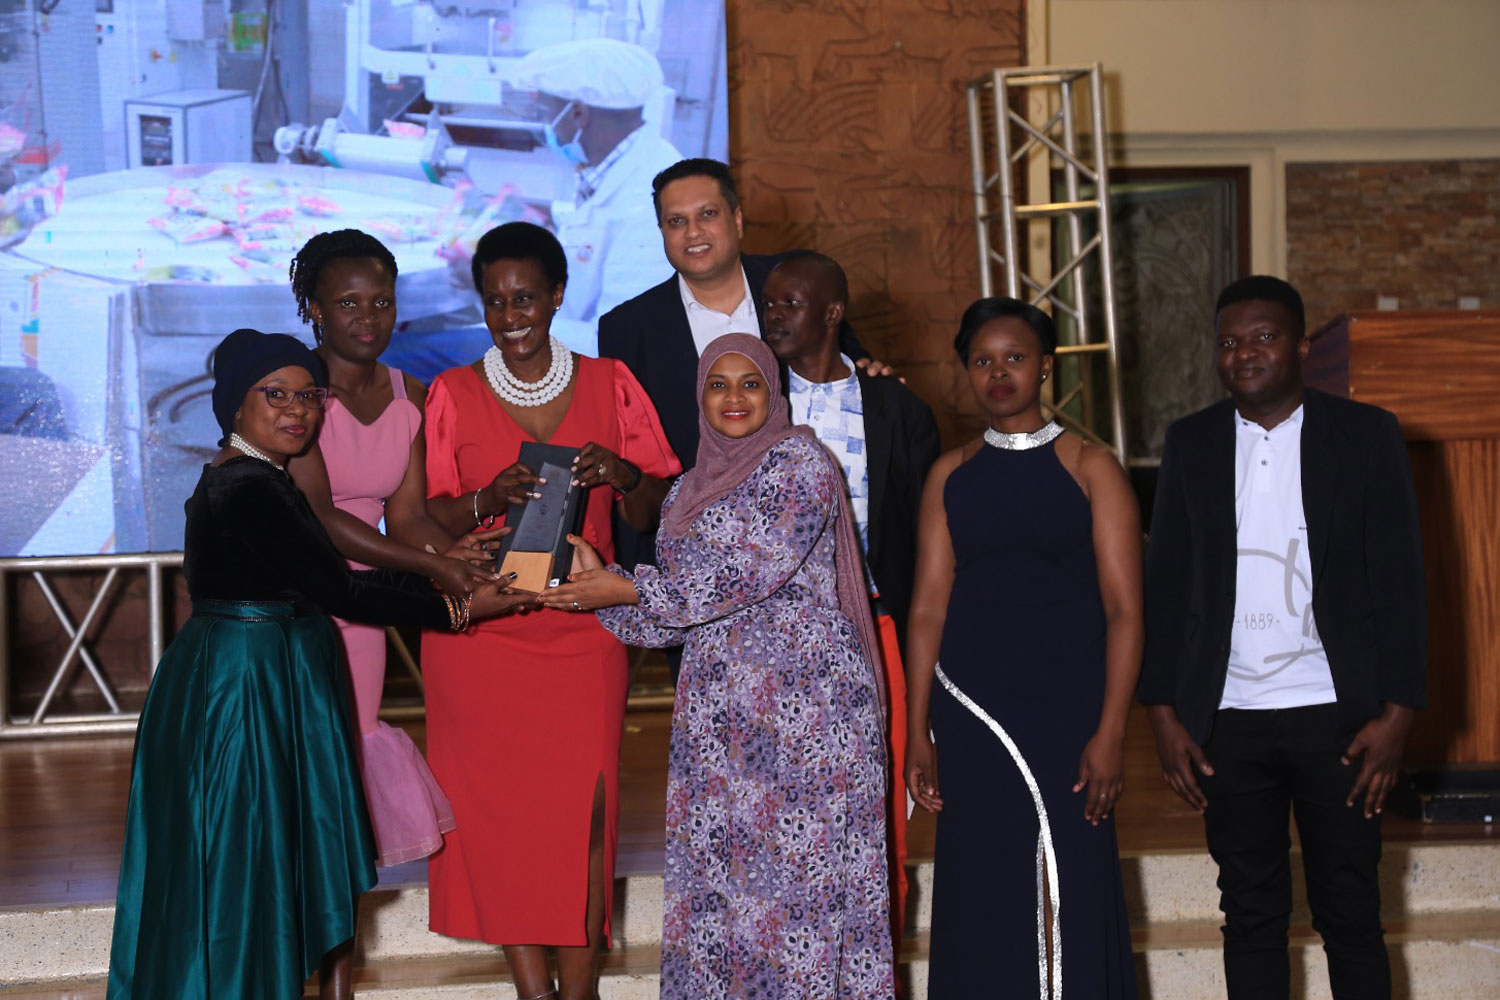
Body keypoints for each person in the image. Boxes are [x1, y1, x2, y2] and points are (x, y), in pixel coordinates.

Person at [106, 329, 523, 1000]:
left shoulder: (257, 478)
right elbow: (342, 591)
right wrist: (460, 606)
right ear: (235, 407)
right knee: (241, 858)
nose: (297, 410)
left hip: (250, 675)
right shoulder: (248, 486)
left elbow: (328, 577)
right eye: (275, 395)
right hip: (242, 688)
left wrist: (450, 576)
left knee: (244, 859)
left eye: (308, 395)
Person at [538, 333, 894, 999]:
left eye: (750, 382)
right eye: (718, 384)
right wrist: (599, 584)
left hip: (804, 717)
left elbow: (744, 575)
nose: (734, 397)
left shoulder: (801, 464)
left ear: (773, 393)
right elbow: (671, 615)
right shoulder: (684, 495)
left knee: (801, 893)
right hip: (718, 722)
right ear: (700, 397)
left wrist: (628, 587)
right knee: (725, 889)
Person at [1140, 275, 1426, 999]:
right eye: (1229, 343)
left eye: (1263, 337)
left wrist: (1398, 714)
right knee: (1251, 915)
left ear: (1301, 346)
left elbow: (1402, 579)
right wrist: (1163, 711)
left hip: (1341, 717)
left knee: (1352, 913)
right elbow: (1167, 584)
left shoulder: (1366, 434)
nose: (1244, 354)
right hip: (1228, 722)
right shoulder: (1192, 443)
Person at [420, 221, 681, 1000]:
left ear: (558, 294)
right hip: (484, 648)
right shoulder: (451, 393)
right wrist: (483, 498)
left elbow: (659, 498)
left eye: (525, 296)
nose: (511, 315)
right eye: (495, 301)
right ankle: (535, 992)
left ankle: (579, 990)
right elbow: (428, 519)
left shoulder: (613, 382)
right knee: (498, 822)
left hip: (582, 638)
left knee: (585, 821)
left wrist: (625, 471)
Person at [904, 299, 1141, 998]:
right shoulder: (950, 474)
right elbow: (926, 608)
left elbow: (1127, 611)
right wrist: (918, 731)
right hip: (972, 706)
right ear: (965, 374)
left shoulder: (1093, 467)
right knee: (984, 883)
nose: (998, 373)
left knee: (1071, 878)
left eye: (1015, 358)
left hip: (1070, 708)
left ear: (1046, 367)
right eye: (982, 360)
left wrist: (1112, 732)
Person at [285, 229, 494, 869]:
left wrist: (463, 552)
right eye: (347, 303)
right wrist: (438, 567)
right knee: (301, 773)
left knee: (355, 770)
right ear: (314, 309)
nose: (368, 317)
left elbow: (404, 518)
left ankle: (342, 972)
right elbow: (322, 521)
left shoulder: (410, 396)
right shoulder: (296, 394)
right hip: (299, 604)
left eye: (381, 301)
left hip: (367, 608)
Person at [760, 251, 940, 957]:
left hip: (874, 629)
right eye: (768, 303)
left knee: (875, 822)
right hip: (771, 645)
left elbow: (930, 544)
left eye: (789, 304)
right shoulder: (747, 397)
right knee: (777, 825)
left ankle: (873, 973)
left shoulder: (899, 408)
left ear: (832, 314)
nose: (773, 314)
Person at [507, 36, 682, 355]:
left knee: (412, 362)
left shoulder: (653, 205)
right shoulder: (615, 168)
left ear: (577, 114)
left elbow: (619, 343)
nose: (548, 127)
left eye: (548, 112)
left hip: (595, 375)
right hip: (561, 347)